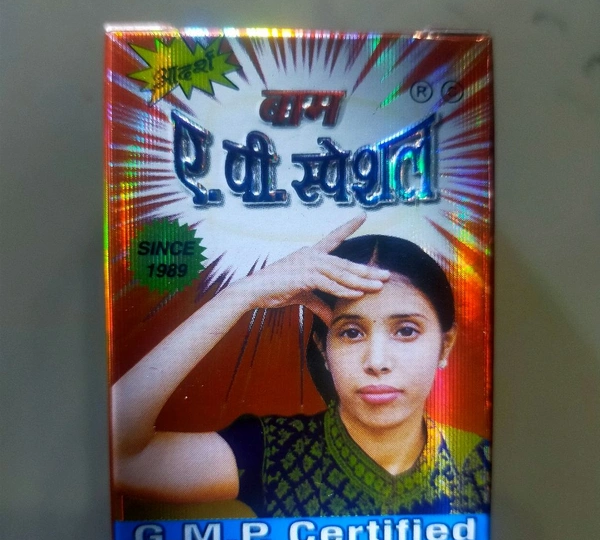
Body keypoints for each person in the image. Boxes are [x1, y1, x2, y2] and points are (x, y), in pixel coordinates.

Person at [113, 216, 490, 517]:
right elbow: (118, 458)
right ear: (324, 350)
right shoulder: (276, 452)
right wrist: (243, 294)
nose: (377, 362)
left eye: (406, 330)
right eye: (351, 332)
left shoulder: (481, 463)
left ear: (445, 345)